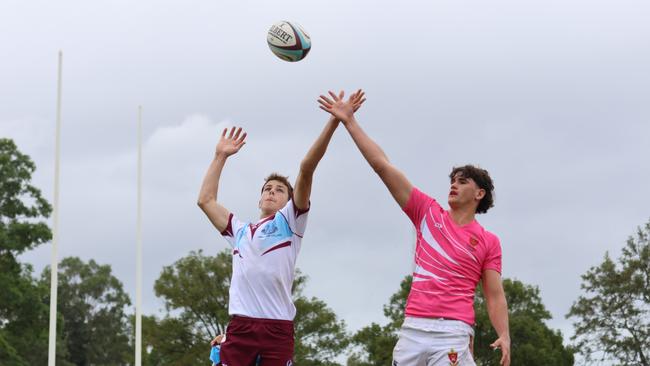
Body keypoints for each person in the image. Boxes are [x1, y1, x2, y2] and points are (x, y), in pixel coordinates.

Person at [318, 90, 511, 366]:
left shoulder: (489, 241)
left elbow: (494, 295)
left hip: (453, 333)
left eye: (463, 181)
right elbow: (382, 166)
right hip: (413, 330)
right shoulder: (427, 212)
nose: (453, 184)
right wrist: (349, 122)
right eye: (452, 180)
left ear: (479, 194)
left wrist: (504, 334)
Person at [197, 91, 364, 366]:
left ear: (290, 200)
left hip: (277, 327)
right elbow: (205, 200)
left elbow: (307, 167)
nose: (272, 192)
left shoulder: (289, 222)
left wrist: (334, 121)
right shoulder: (239, 231)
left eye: (279, 190)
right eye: (267, 189)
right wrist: (220, 156)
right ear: (259, 198)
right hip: (241, 327)